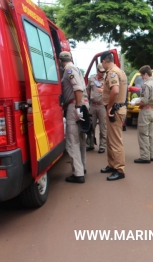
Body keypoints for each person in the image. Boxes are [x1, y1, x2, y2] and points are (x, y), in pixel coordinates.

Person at [59, 51, 89, 183]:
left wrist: (77, 107)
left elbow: (77, 88)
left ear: (60, 61)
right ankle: (81, 167)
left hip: (74, 106)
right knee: (81, 139)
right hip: (81, 105)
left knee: (72, 140)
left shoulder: (69, 69)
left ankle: (78, 174)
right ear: (71, 58)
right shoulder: (75, 68)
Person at [99, 51, 128, 181]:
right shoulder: (120, 71)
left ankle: (119, 169)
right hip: (118, 108)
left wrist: (109, 107)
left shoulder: (112, 72)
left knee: (115, 141)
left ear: (105, 61)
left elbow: (115, 90)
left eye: (102, 63)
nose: (102, 66)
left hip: (114, 110)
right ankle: (112, 165)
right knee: (111, 140)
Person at [134, 65, 153, 164]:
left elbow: (144, 100)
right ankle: (151, 155)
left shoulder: (146, 85)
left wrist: (135, 103)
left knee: (143, 134)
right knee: (150, 134)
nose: (141, 77)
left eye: (142, 75)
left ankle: (145, 156)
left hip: (145, 111)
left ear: (145, 74)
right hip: (152, 110)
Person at [86, 64, 107, 153]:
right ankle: (90, 144)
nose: (102, 73)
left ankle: (102, 146)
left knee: (103, 127)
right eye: (100, 71)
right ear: (97, 70)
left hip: (102, 105)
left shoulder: (107, 79)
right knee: (91, 126)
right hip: (93, 105)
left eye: (103, 72)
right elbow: (88, 89)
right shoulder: (92, 78)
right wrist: (87, 100)